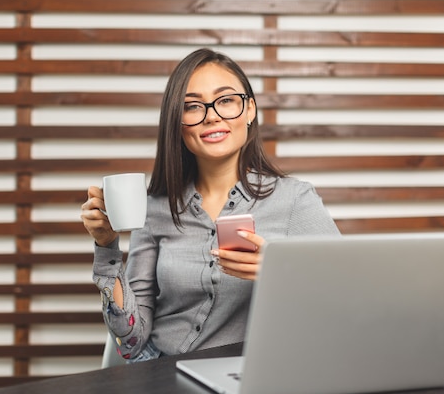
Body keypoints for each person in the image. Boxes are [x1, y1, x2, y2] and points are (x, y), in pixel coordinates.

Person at [81, 47, 340, 363]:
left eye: (226, 100)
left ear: (250, 110)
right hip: (161, 375)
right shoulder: (154, 209)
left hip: (252, 373)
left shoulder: (295, 200)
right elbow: (132, 342)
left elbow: (345, 301)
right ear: (178, 125)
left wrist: (281, 271)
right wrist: (106, 246)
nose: (213, 115)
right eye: (192, 106)